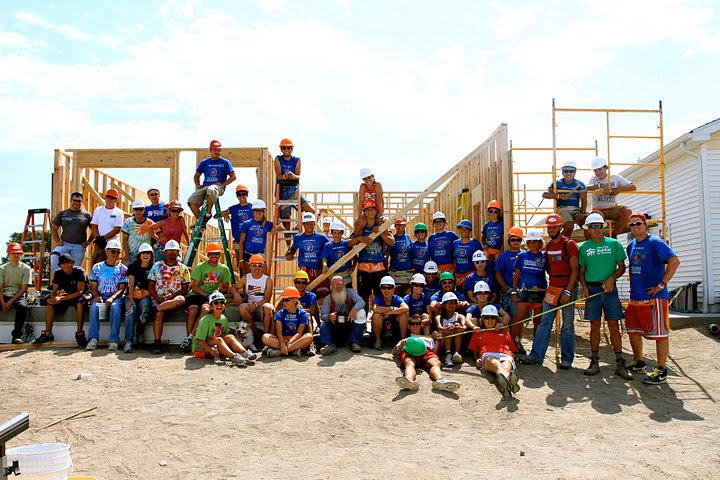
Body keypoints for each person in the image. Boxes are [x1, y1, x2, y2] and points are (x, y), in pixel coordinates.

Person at [625, 213, 680, 385]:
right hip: (636, 297)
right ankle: (639, 361)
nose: (635, 227)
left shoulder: (655, 242)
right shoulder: (631, 245)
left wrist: (662, 284)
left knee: (660, 333)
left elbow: (674, 261)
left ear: (645, 225)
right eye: (632, 225)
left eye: (638, 223)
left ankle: (661, 369)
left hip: (655, 297)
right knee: (633, 330)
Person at [578, 213, 632, 379]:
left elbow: (622, 266)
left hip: (609, 290)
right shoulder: (584, 248)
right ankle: (594, 362)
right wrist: (584, 288)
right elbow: (581, 272)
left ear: (603, 228)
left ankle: (620, 362)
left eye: (599, 226)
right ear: (588, 229)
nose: (597, 230)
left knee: (614, 326)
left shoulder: (614, 244)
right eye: (593, 226)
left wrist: (611, 279)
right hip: (593, 290)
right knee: (594, 326)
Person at [523, 214, 579, 369]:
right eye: (550, 227)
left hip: (568, 288)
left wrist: (568, 291)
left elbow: (575, 269)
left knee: (567, 325)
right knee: (545, 322)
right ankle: (536, 356)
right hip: (552, 288)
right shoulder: (548, 246)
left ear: (560, 227)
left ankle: (567, 360)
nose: (552, 230)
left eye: (555, 227)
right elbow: (548, 267)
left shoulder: (569, 244)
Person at [182, 242, 232, 353]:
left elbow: (225, 287)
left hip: (210, 297)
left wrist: (218, 291)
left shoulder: (224, 269)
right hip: (196, 295)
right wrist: (207, 295)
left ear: (220, 255)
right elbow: (194, 287)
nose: (214, 256)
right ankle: (189, 338)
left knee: (206, 309)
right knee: (193, 310)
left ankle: (193, 338)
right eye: (211, 254)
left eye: (216, 254)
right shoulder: (200, 267)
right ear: (208, 255)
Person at [33, 253, 87, 347]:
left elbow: (80, 292)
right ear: (60, 265)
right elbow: (54, 291)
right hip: (66, 295)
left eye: (68, 263)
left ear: (72, 263)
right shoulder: (58, 273)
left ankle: (80, 334)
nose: (66, 266)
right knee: (50, 303)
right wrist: (53, 299)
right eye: (63, 263)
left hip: (80, 295)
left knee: (80, 303)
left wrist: (61, 298)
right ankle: (48, 333)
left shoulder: (79, 271)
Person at [191, 291, 257, 366]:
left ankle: (244, 353)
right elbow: (199, 339)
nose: (219, 304)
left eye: (222, 302)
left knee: (230, 337)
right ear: (211, 306)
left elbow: (225, 334)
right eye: (216, 303)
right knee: (219, 340)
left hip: (214, 343)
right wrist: (209, 350)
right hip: (200, 347)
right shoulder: (205, 320)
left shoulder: (223, 319)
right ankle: (234, 357)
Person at [148, 239, 191, 355]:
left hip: (175, 299)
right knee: (158, 316)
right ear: (165, 252)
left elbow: (185, 289)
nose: (172, 252)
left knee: (181, 299)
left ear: (178, 252)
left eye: (174, 250)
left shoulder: (183, 269)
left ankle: (155, 309)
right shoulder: (157, 266)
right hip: (159, 298)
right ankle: (157, 343)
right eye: (169, 250)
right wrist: (157, 298)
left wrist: (172, 295)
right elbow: (151, 285)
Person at [468, 305, 519, 400]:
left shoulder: (504, 332)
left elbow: (513, 350)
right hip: (487, 354)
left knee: (506, 365)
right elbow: (474, 352)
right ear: (482, 319)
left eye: (493, 317)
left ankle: (506, 386)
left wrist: (512, 357)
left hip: (505, 354)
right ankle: (510, 382)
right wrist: (477, 359)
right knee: (497, 364)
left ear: (497, 320)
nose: (490, 320)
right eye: (486, 318)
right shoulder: (478, 333)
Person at [352, 200, 395, 307]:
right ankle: (363, 321)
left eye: (372, 209)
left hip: (379, 268)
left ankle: (379, 320)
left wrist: (380, 231)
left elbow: (392, 242)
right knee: (363, 297)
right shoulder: (361, 227)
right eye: (367, 209)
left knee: (379, 296)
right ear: (364, 212)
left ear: (376, 211)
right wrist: (360, 237)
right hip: (363, 268)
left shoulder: (381, 225)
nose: (370, 211)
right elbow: (350, 242)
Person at [86, 239, 127, 351]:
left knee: (115, 307)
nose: (115, 254)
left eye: (117, 252)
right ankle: (93, 339)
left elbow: (122, 289)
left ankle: (114, 340)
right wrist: (96, 296)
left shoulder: (123, 269)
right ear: (106, 252)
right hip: (100, 295)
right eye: (113, 251)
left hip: (116, 296)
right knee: (94, 308)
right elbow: (93, 285)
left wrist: (112, 298)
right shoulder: (97, 267)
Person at [510, 229, 547, 355]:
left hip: (540, 291)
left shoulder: (544, 256)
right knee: (518, 320)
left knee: (538, 322)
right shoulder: (522, 256)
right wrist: (514, 291)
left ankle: (536, 350)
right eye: (530, 242)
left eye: (535, 242)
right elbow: (517, 275)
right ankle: (510, 347)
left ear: (540, 242)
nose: (532, 244)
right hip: (524, 291)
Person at [392, 328, 461, 392]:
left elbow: (435, 352)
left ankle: (440, 381)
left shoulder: (429, 338)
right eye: (412, 323)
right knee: (409, 363)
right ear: (409, 326)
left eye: (417, 323)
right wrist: (401, 345)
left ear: (421, 326)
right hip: (410, 352)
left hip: (426, 351)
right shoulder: (405, 339)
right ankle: (408, 380)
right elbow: (394, 352)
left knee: (436, 362)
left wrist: (438, 340)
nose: (415, 326)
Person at [187, 139, 236, 226]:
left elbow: (233, 177)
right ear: (210, 150)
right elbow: (196, 176)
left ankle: (208, 214)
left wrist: (223, 184)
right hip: (205, 187)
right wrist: (198, 185)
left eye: (219, 150)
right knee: (191, 201)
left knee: (211, 189)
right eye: (215, 150)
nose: (217, 152)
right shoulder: (204, 162)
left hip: (218, 188)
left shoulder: (225, 162)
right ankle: (201, 223)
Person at [275, 138, 314, 246]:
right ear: (281, 149)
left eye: (288, 147)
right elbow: (278, 175)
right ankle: (289, 247)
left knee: (311, 210)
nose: (286, 149)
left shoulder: (297, 160)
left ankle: (298, 225)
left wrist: (292, 176)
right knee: (286, 223)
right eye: (284, 147)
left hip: (294, 192)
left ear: (292, 149)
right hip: (282, 193)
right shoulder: (278, 159)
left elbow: (298, 176)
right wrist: (284, 176)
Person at [586, 157, 637, 237]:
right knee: (596, 218)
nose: (598, 172)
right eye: (595, 170)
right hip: (598, 209)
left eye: (600, 169)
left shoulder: (614, 177)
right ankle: (599, 239)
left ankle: (614, 235)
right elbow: (586, 187)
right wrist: (601, 186)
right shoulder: (593, 179)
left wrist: (618, 189)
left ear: (605, 168)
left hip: (613, 208)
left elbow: (633, 187)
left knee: (627, 211)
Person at [319, 276, 367, 355]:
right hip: (335, 326)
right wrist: (329, 317)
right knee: (323, 323)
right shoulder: (328, 299)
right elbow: (323, 315)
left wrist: (355, 308)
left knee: (361, 312)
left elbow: (361, 302)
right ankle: (329, 345)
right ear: (331, 287)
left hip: (349, 323)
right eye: (335, 285)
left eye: (340, 284)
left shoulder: (350, 292)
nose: (338, 287)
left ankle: (354, 342)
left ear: (344, 285)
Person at [286, 212, 330, 298]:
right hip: (305, 272)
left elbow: (330, 248)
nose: (309, 226)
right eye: (307, 224)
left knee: (323, 293)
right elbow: (293, 249)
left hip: (319, 272)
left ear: (314, 223)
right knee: (303, 295)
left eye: (311, 223)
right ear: (303, 224)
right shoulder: (298, 238)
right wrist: (289, 254)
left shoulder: (322, 237)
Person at [262, 286, 314, 357]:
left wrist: (290, 342)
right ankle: (293, 351)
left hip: (295, 340)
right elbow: (279, 332)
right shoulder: (280, 313)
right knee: (265, 337)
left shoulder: (303, 314)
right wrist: (283, 343)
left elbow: (299, 333)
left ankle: (281, 351)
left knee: (309, 337)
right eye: (283, 300)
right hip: (282, 339)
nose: (284, 302)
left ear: (295, 300)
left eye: (287, 300)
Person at [50, 191, 93, 275]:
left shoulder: (87, 215)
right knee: (54, 255)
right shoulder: (62, 214)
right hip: (65, 244)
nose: (76, 203)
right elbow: (54, 227)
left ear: (82, 202)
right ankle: (57, 280)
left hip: (79, 246)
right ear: (71, 200)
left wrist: (88, 242)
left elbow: (95, 229)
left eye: (79, 201)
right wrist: (57, 241)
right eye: (74, 200)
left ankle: (72, 287)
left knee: (75, 269)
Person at [542, 160, 588, 238]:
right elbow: (545, 194)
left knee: (589, 224)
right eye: (566, 171)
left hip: (576, 209)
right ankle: (559, 245)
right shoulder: (557, 183)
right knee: (569, 226)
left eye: (571, 171)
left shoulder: (579, 184)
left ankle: (590, 246)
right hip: (563, 209)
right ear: (562, 172)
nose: (568, 173)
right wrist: (560, 196)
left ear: (574, 172)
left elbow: (584, 199)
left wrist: (582, 212)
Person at [124, 242, 154, 352]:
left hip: (146, 295)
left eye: (148, 253)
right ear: (139, 255)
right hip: (132, 295)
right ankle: (129, 341)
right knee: (130, 312)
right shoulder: (133, 267)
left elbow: (153, 284)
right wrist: (131, 300)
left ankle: (140, 332)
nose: (145, 255)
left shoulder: (153, 268)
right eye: (143, 253)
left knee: (145, 308)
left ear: (151, 255)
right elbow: (131, 284)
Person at [1, 242, 33, 344]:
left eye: (18, 253)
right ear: (8, 255)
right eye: (13, 253)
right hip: (3, 294)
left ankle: (16, 336)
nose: (16, 255)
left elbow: (23, 289)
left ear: (21, 255)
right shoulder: (2, 268)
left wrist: (10, 302)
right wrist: (2, 302)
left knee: (23, 307)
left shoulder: (26, 268)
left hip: (17, 295)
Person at [236, 253, 274, 336]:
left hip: (261, 306)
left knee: (268, 307)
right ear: (250, 267)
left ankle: (266, 336)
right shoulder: (246, 278)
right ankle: (256, 332)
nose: (257, 268)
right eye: (254, 265)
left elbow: (267, 299)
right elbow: (233, 288)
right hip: (249, 306)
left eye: (259, 265)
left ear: (263, 267)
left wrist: (256, 304)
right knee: (242, 308)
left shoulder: (268, 280)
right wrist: (236, 294)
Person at [371, 276, 410, 350]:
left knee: (404, 314)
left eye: (389, 288)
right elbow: (375, 309)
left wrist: (388, 313)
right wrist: (391, 308)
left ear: (393, 289)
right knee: (376, 315)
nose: (386, 290)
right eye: (384, 287)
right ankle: (378, 340)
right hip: (382, 327)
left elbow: (405, 308)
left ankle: (403, 340)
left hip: (395, 326)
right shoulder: (378, 299)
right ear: (381, 289)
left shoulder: (397, 298)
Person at [495, 227, 524, 322]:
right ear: (509, 241)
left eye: (518, 240)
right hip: (508, 291)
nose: (516, 242)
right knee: (510, 317)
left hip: (522, 291)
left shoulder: (526, 255)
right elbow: (498, 272)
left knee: (520, 318)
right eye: (513, 240)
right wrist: (505, 287)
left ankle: (518, 337)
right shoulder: (504, 256)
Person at [236, 200, 273, 276]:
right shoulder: (246, 224)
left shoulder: (267, 224)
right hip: (248, 255)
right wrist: (241, 259)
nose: (258, 213)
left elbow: (279, 228)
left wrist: (276, 227)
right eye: (256, 210)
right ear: (253, 211)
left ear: (264, 211)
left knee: (264, 279)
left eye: (260, 210)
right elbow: (241, 242)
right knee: (247, 281)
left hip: (260, 255)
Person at [221, 184, 253, 269]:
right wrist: (225, 214)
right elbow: (216, 216)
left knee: (252, 265)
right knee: (241, 265)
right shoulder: (233, 209)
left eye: (244, 194)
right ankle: (243, 282)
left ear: (247, 195)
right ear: (237, 196)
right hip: (239, 241)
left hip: (251, 241)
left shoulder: (252, 208)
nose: (242, 196)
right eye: (239, 194)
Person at [90, 188, 124, 265]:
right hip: (99, 243)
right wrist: (98, 238)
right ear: (105, 197)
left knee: (111, 264)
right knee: (96, 263)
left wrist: (103, 238)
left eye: (113, 198)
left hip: (113, 244)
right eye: (108, 197)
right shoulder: (98, 210)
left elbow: (117, 229)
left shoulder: (118, 212)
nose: (110, 199)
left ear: (116, 200)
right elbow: (93, 226)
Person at [435, 292, 468, 367]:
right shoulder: (439, 317)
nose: (451, 305)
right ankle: (448, 354)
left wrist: (458, 328)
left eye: (454, 302)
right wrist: (447, 328)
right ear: (444, 304)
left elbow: (464, 327)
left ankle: (457, 353)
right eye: (449, 302)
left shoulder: (460, 316)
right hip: (443, 342)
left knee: (457, 326)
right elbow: (439, 327)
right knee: (449, 327)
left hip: (457, 341)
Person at [321, 221, 355, 287]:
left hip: (345, 275)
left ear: (342, 233)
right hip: (333, 274)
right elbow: (324, 258)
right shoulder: (328, 245)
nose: (337, 235)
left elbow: (355, 255)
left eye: (339, 233)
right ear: (332, 233)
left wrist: (353, 267)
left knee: (347, 293)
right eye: (335, 233)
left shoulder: (347, 244)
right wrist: (324, 265)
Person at [121, 199, 156, 265]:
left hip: (145, 255)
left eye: (140, 209)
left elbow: (155, 237)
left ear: (144, 210)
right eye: (136, 209)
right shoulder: (128, 222)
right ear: (133, 210)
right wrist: (126, 253)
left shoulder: (150, 223)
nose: (138, 211)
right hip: (131, 255)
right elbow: (124, 239)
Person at [386, 217, 413, 296]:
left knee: (407, 295)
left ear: (405, 226)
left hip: (407, 272)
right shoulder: (392, 239)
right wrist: (386, 268)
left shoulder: (407, 237)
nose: (399, 227)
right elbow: (387, 254)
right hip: (395, 271)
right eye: (397, 225)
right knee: (396, 295)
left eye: (402, 225)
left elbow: (411, 253)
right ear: (395, 226)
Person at [453, 219, 482, 287]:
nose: (464, 231)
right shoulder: (455, 243)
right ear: (459, 230)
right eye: (462, 229)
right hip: (458, 275)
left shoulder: (475, 244)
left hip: (471, 275)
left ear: (470, 231)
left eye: (466, 229)